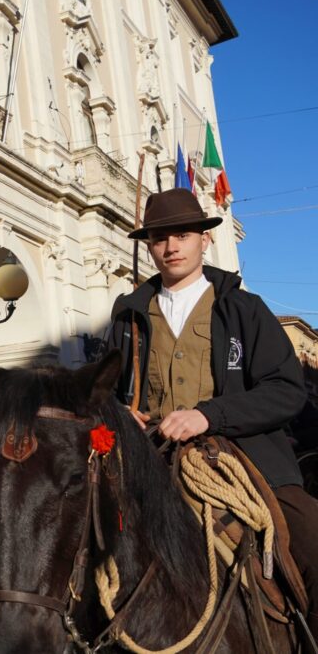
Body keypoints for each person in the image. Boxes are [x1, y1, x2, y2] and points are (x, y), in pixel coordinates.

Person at [106, 188, 318, 635]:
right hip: (150, 461)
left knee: (313, 538)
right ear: (149, 246)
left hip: (246, 459)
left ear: (205, 240)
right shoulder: (128, 316)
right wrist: (121, 413)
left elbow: (286, 389)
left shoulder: (244, 309)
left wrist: (210, 415)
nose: (171, 246)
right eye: (160, 238)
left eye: (182, 235)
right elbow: (103, 391)